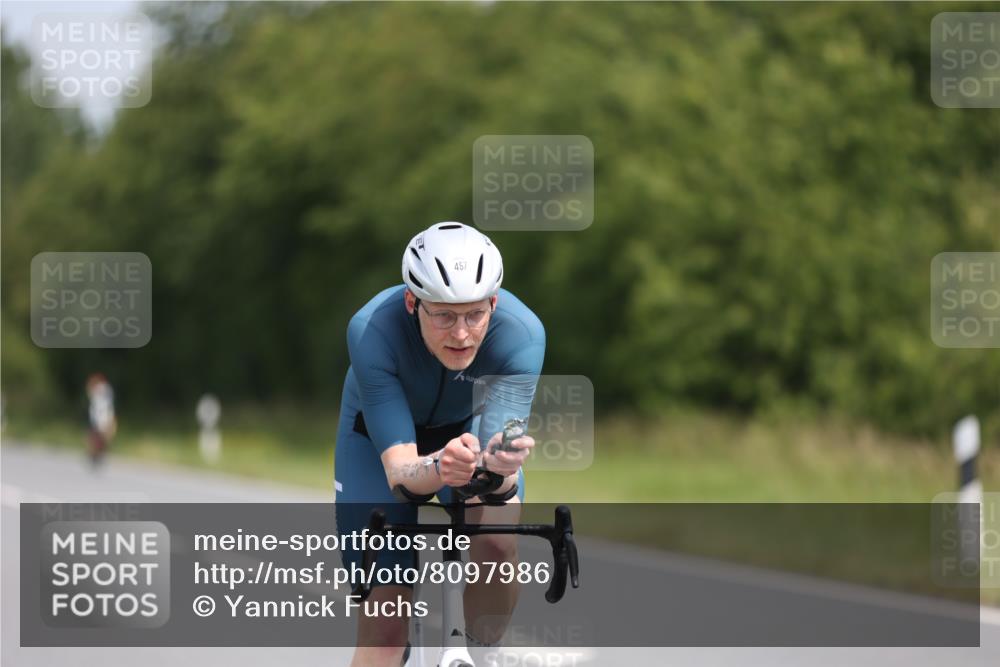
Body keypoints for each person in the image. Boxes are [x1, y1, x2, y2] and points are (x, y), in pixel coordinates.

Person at [334, 222, 545, 667]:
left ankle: (486, 656)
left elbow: (496, 461)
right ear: (412, 302)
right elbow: (403, 475)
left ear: (494, 302)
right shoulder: (372, 329)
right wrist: (438, 467)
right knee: (386, 630)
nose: (462, 334)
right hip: (376, 442)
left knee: (497, 540)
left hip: (467, 432)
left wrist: (500, 473)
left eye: (474, 315)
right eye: (443, 316)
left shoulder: (522, 336)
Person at [85, 373, 117, 466]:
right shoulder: (106, 389)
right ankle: (96, 454)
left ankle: (97, 454)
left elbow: (91, 391)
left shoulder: (102, 388)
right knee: (97, 436)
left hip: (101, 415)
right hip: (98, 415)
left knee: (99, 436)